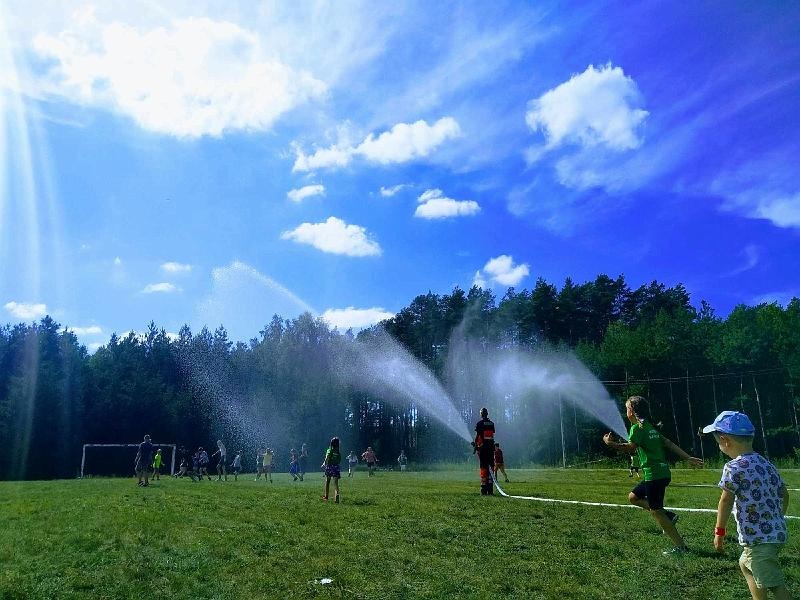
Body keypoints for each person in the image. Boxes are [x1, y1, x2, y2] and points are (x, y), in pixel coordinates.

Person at [703, 411, 790, 600]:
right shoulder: (766, 464)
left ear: (725, 441)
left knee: (774, 584)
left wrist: (719, 531)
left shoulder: (733, 468)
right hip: (775, 533)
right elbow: (784, 494)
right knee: (745, 563)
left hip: (759, 539)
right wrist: (777, 518)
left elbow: (725, 501)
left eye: (718, 441)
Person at [603, 395, 703, 556]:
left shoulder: (637, 429)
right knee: (633, 497)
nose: (626, 411)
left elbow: (630, 448)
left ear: (633, 411)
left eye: (627, 408)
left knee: (656, 511)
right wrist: (687, 457)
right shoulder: (650, 426)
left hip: (654, 475)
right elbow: (668, 443)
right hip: (662, 473)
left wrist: (610, 444)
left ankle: (681, 548)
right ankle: (668, 515)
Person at [474, 408, 496, 495]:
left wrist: (476, 445)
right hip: (491, 449)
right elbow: (491, 436)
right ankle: (490, 489)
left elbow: (478, 436)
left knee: (483, 468)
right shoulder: (491, 423)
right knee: (491, 467)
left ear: (482, 414)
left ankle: (484, 489)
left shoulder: (479, 424)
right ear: (487, 414)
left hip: (483, 450)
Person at [321, 437, 342, 503]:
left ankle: (326, 496)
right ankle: (337, 495)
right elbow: (339, 459)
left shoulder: (330, 450)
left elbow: (327, 456)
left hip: (330, 466)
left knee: (328, 481)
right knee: (336, 483)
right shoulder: (338, 451)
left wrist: (324, 463)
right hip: (336, 467)